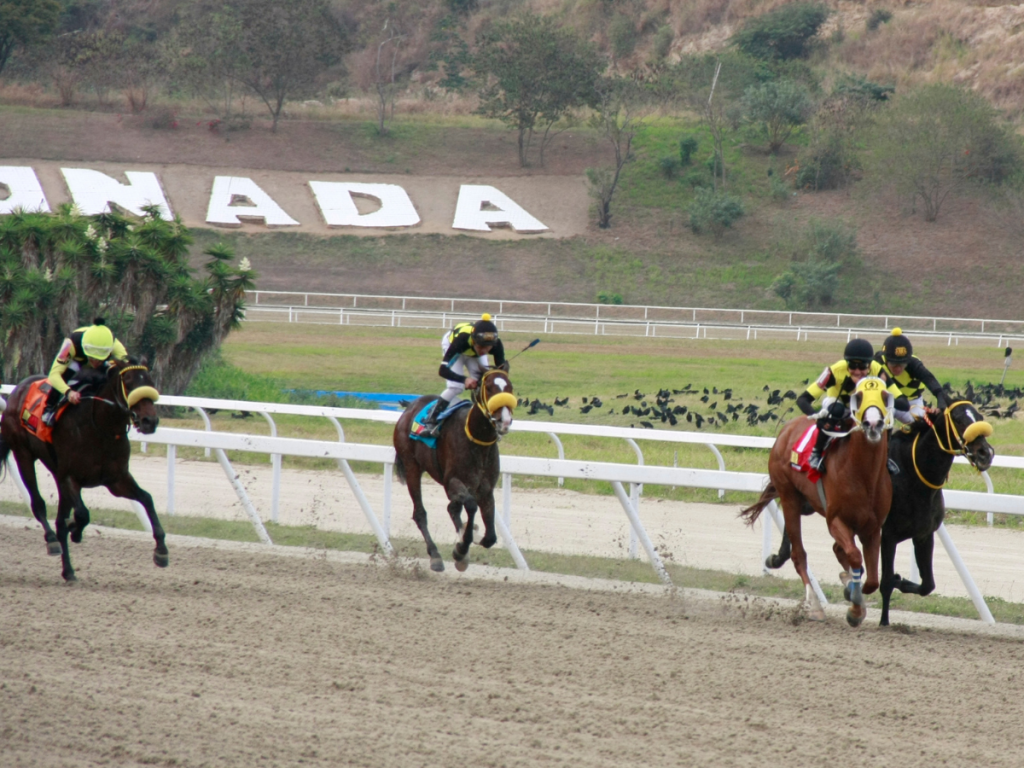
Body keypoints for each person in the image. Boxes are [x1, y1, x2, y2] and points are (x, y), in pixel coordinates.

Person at [795, 338, 908, 471]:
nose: (857, 371)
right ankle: (816, 452)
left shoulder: (878, 371)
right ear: (846, 363)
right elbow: (802, 399)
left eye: (862, 367)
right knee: (836, 410)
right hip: (839, 404)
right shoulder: (834, 371)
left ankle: (886, 457)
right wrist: (816, 416)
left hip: (864, 408)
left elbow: (904, 404)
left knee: (888, 412)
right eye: (852, 366)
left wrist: (884, 399)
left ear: (870, 365)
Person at [419, 314, 507, 436]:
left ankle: (488, 421)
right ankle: (430, 421)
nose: (483, 351)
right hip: (454, 346)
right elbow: (442, 370)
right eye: (480, 347)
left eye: (487, 348)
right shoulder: (461, 341)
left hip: (471, 349)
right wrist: (464, 379)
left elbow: (501, 374)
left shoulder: (496, 345)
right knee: (456, 387)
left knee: (485, 383)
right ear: (474, 341)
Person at [41, 319, 129, 426]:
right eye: (93, 358)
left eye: (99, 358)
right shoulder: (71, 343)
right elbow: (54, 375)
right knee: (66, 374)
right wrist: (69, 392)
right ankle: (49, 407)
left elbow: (128, 367)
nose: (95, 362)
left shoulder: (114, 343)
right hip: (77, 361)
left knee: (113, 372)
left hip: (104, 363)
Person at [874, 328, 946, 423]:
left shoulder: (914, 364)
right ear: (885, 359)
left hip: (912, 403)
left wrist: (941, 406)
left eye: (902, 364)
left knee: (923, 431)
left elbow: (936, 387)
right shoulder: (876, 362)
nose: (898, 368)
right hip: (888, 401)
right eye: (894, 364)